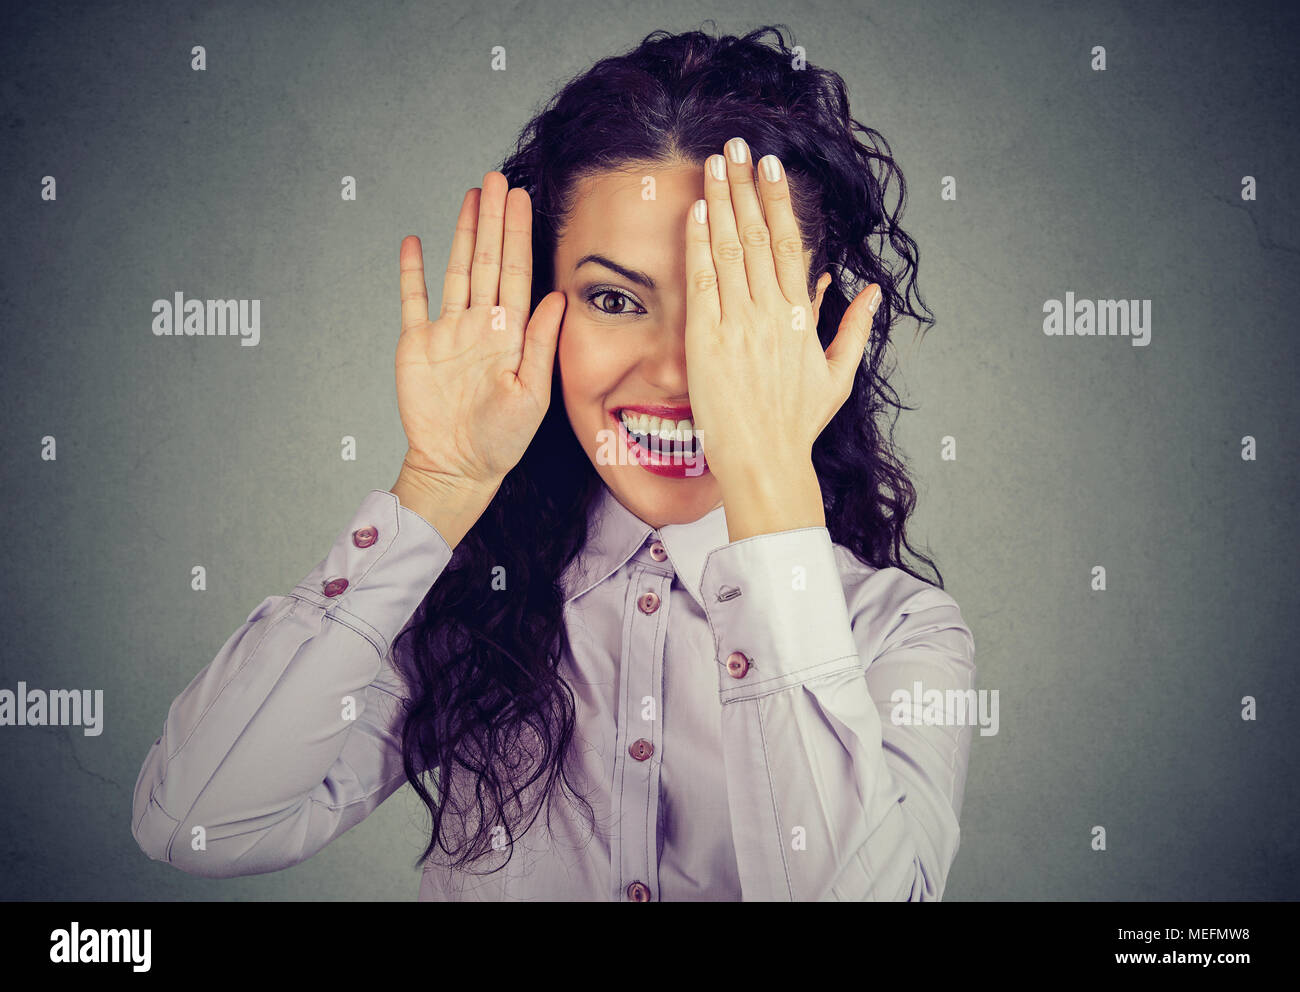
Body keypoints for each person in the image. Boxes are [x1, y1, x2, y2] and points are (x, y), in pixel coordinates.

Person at [131, 24, 976, 901]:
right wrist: (438, 486)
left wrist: (769, 477)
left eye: (731, 310)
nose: (673, 371)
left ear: (819, 323)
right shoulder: (462, 600)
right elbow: (193, 824)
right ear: (545, 309)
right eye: (615, 298)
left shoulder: (900, 634)